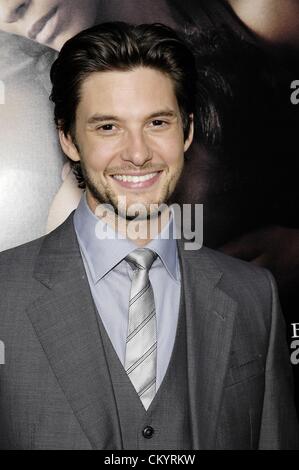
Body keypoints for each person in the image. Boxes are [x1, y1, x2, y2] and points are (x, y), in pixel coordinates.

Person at [0, 21, 298, 450]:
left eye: (158, 123)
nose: (137, 155)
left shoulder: (254, 298)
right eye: (107, 127)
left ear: (186, 132)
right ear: (67, 139)